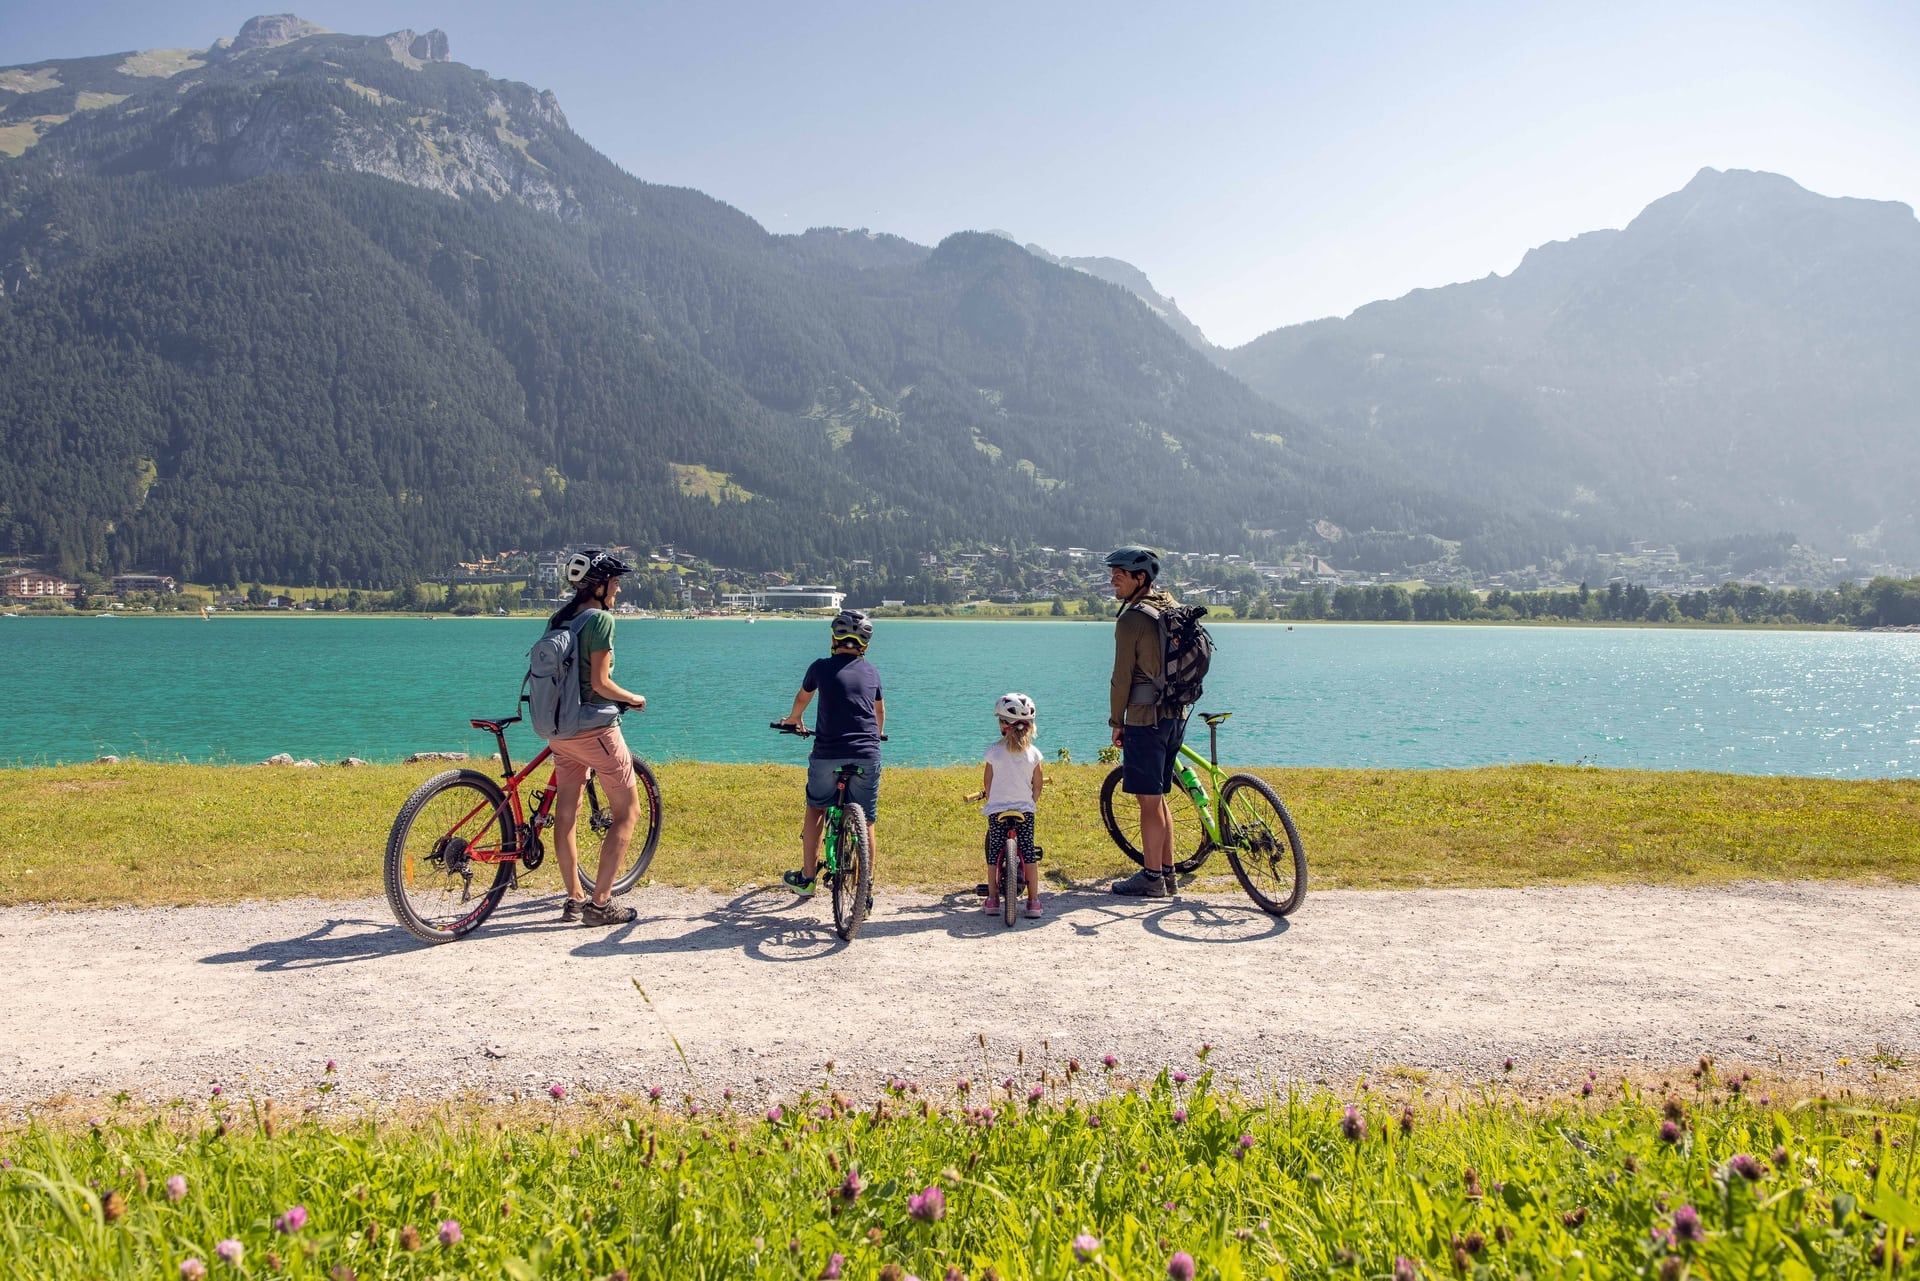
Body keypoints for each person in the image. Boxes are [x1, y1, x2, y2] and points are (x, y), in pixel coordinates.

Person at [547, 549, 647, 927]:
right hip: (594, 729)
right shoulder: (600, 620)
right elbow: (601, 683)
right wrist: (632, 698)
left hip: (560, 731)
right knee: (627, 813)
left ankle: (574, 898)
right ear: (600, 585)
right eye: (616, 584)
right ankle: (601, 904)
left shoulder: (560, 619)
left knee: (567, 814)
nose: (618, 591)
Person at [776, 609, 884, 893]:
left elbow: (803, 697)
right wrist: (878, 733)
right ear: (865, 645)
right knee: (867, 819)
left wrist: (794, 719)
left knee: (816, 808)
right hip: (867, 753)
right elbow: (878, 711)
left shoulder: (820, 667)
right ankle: (865, 887)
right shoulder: (872, 671)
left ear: (834, 638)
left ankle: (807, 878)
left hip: (828, 753)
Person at [1103, 545, 1184, 898]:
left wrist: (1116, 721)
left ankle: (1152, 878)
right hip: (1174, 715)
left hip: (1144, 719)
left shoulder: (1133, 619)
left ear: (1140, 578)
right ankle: (1168, 874)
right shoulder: (1171, 605)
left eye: (1119, 575)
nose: (1112, 581)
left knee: (1148, 802)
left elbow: (1121, 678)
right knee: (1159, 796)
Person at [966, 692, 1046, 918]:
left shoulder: (994, 751)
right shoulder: (1034, 754)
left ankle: (992, 900)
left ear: (1003, 724)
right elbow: (1037, 785)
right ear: (1030, 726)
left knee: (994, 854)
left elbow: (987, 781)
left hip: (998, 810)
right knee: (1029, 854)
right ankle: (1033, 902)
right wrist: (1031, 802)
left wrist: (993, 799)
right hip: (1025, 811)